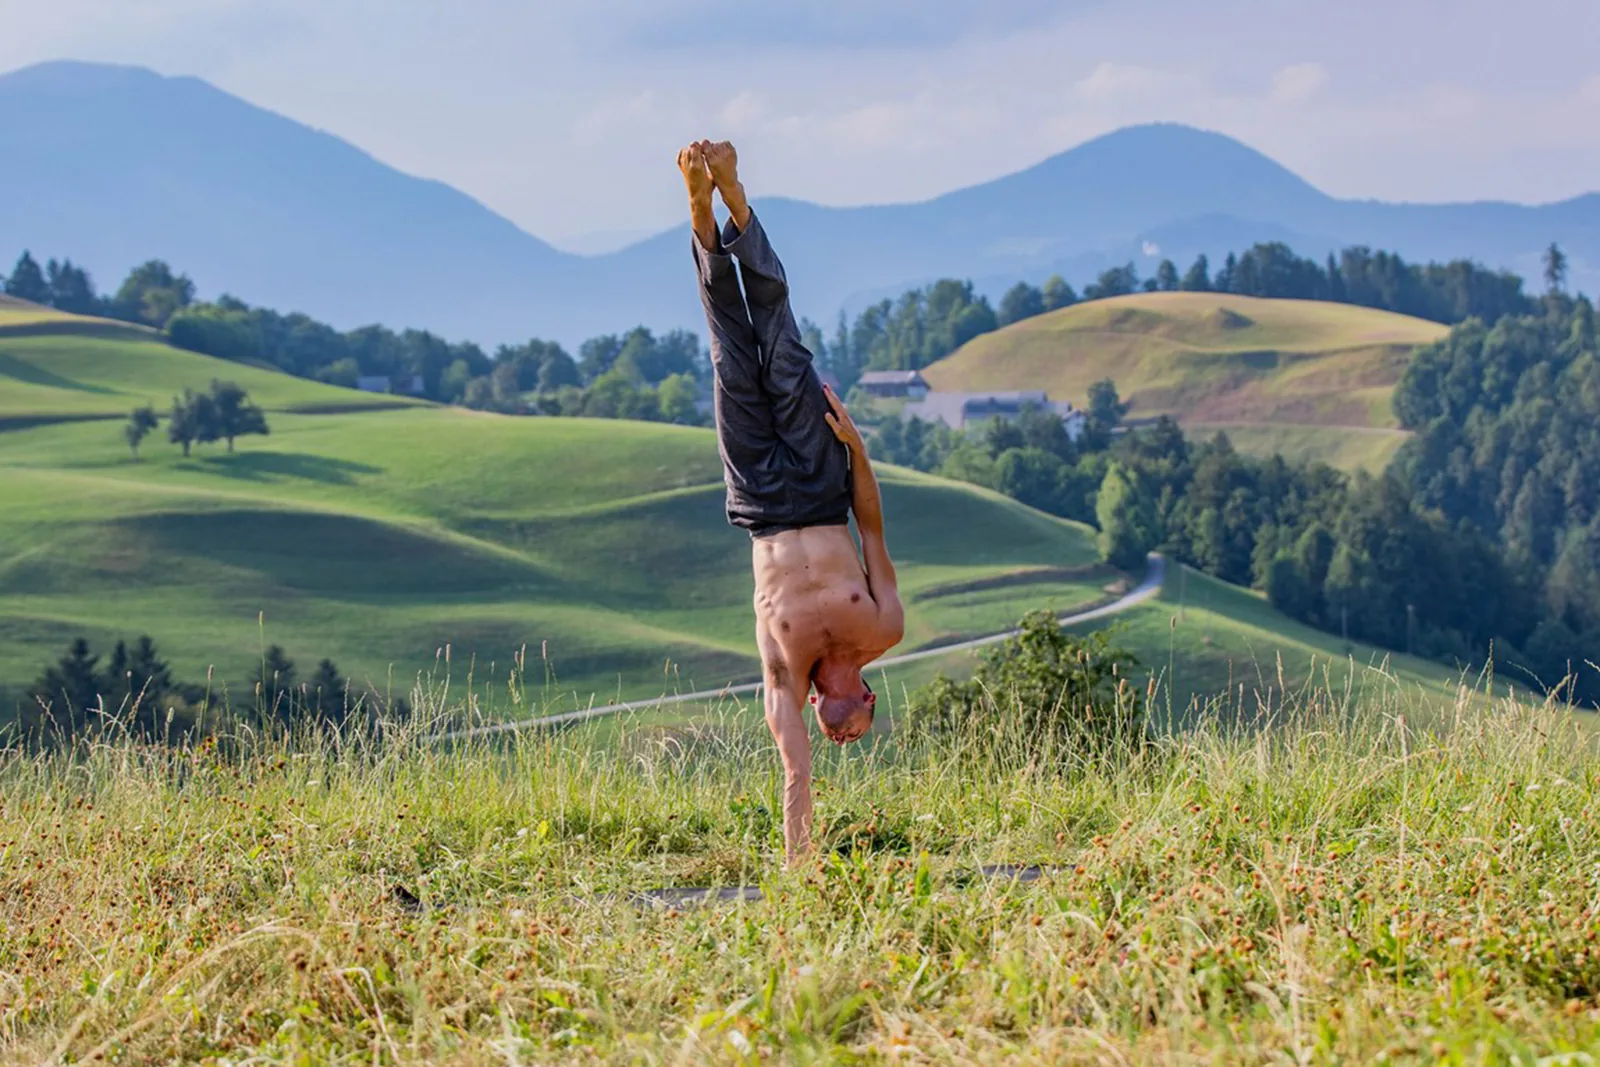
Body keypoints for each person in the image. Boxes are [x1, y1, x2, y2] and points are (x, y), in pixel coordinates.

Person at [678, 140, 904, 864]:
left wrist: (799, 869)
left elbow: (794, 772)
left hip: (758, 501)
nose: (841, 741)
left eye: (835, 738)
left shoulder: (785, 669)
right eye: (854, 736)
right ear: (867, 701)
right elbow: (872, 527)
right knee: (779, 342)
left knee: (730, 353)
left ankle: (701, 218)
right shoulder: (884, 627)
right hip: (818, 482)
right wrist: (857, 449)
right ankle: (737, 201)